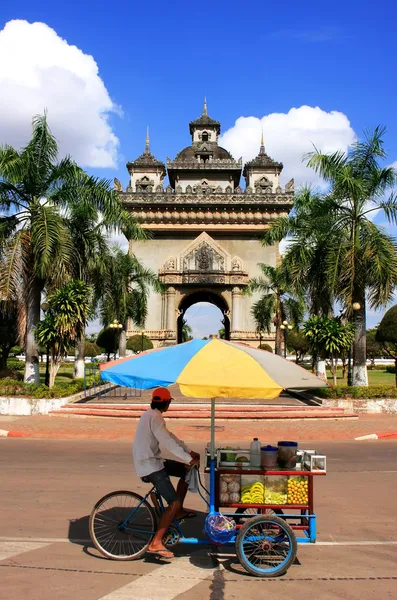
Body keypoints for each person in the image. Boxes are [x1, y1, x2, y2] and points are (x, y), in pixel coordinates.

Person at [132, 387, 200, 559]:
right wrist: (188, 458)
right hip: (150, 466)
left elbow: (170, 437)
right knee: (173, 502)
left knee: (186, 471)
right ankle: (156, 543)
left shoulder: (152, 415)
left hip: (154, 461)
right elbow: (168, 442)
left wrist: (189, 452)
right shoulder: (154, 418)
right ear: (167, 402)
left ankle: (177, 511)